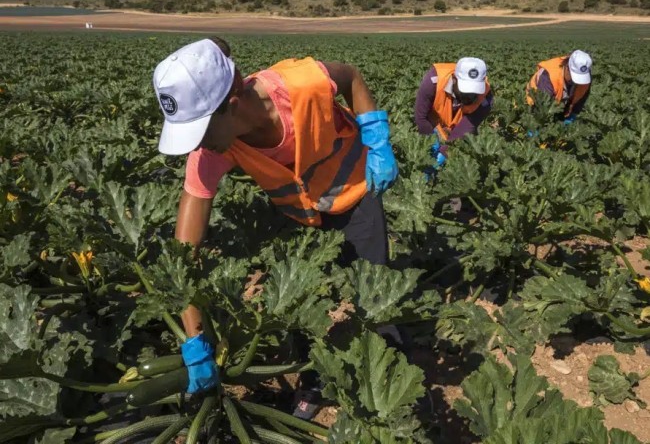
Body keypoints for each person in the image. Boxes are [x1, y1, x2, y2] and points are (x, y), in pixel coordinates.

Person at [152, 37, 399, 419]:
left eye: (198, 132)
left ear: (231, 106)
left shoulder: (301, 85)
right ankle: (314, 379)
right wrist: (194, 340)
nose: (194, 146)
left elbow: (350, 77)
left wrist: (377, 138)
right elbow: (184, 254)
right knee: (298, 302)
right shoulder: (211, 151)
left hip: (356, 191)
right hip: (302, 213)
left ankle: (388, 364)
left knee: (376, 292)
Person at [414, 57, 493, 174]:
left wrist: (445, 152)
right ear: (454, 79)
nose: (469, 96)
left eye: (474, 92)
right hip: (434, 123)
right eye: (465, 91)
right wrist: (430, 142)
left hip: (458, 129)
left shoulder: (486, 98)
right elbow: (421, 117)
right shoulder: (433, 81)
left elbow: (464, 129)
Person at [526, 50, 592, 124]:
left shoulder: (585, 73)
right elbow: (542, 106)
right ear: (567, 67)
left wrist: (574, 113)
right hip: (535, 103)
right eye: (575, 77)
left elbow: (582, 95)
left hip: (559, 102)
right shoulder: (548, 76)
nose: (577, 82)